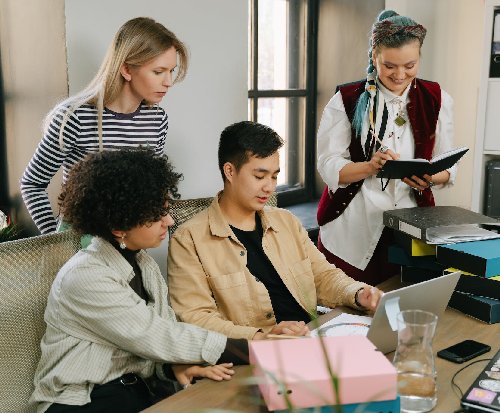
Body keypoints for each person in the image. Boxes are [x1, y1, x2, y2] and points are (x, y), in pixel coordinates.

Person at [30, 149, 248, 413]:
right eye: (156, 215)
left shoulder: (144, 264)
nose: (169, 221)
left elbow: (149, 340)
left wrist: (173, 366)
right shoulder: (85, 277)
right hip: (80, 402)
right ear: (119, 227)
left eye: (166, 210)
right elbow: (157, 335)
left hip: (134, 393)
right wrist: (254, 350)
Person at [167, 121, 383, 340]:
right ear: (230, 171)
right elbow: (195, 319)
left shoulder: (286, 221)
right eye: (259, 177)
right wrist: (263, 335)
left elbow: (322, 276)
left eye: (274, 176)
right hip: (257, 355)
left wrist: (357, 294)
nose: (269, 187)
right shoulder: (189, 239)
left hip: (312, 336)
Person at [316, 10, 456, 284]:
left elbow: (450, 167)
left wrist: (430, 177)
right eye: (389, 65)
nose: (400, 74)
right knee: (345, 316)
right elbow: (327, 165)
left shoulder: (438, 98)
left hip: (411, 229)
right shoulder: (346, 99)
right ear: (374, 56)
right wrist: (369, 167)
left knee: (402, 312)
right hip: (351, 232)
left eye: (410, 65)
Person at [21, 17, 188, 235]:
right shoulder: (74, 117)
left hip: (129, 245)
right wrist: (57, 242)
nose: (168, 82)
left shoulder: (157, 120)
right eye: (158, 72)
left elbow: (150, 189)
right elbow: (32, 184)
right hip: (80, 248)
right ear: (127, 69)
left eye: (171, 71)